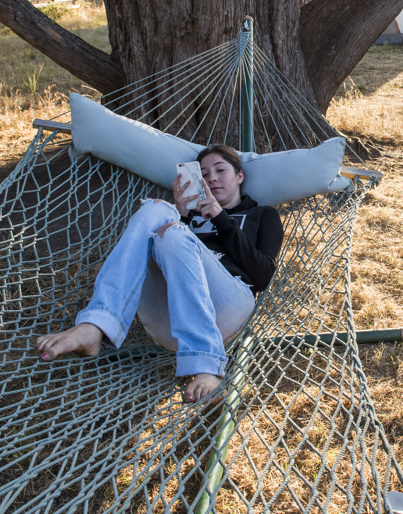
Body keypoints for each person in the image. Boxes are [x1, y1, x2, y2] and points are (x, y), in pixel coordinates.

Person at [35, 144, 284, 402]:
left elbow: (262, 276)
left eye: (221, 170)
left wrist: (222, 219)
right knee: (157, 209)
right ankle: (96, 324)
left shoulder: (262, 215)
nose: (212, 178)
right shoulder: (181, 220)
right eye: (204, 174)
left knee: (173, 233)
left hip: (229, 304)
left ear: (239, 176)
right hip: (171, 322)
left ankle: (206, 364)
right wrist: (181, 214)